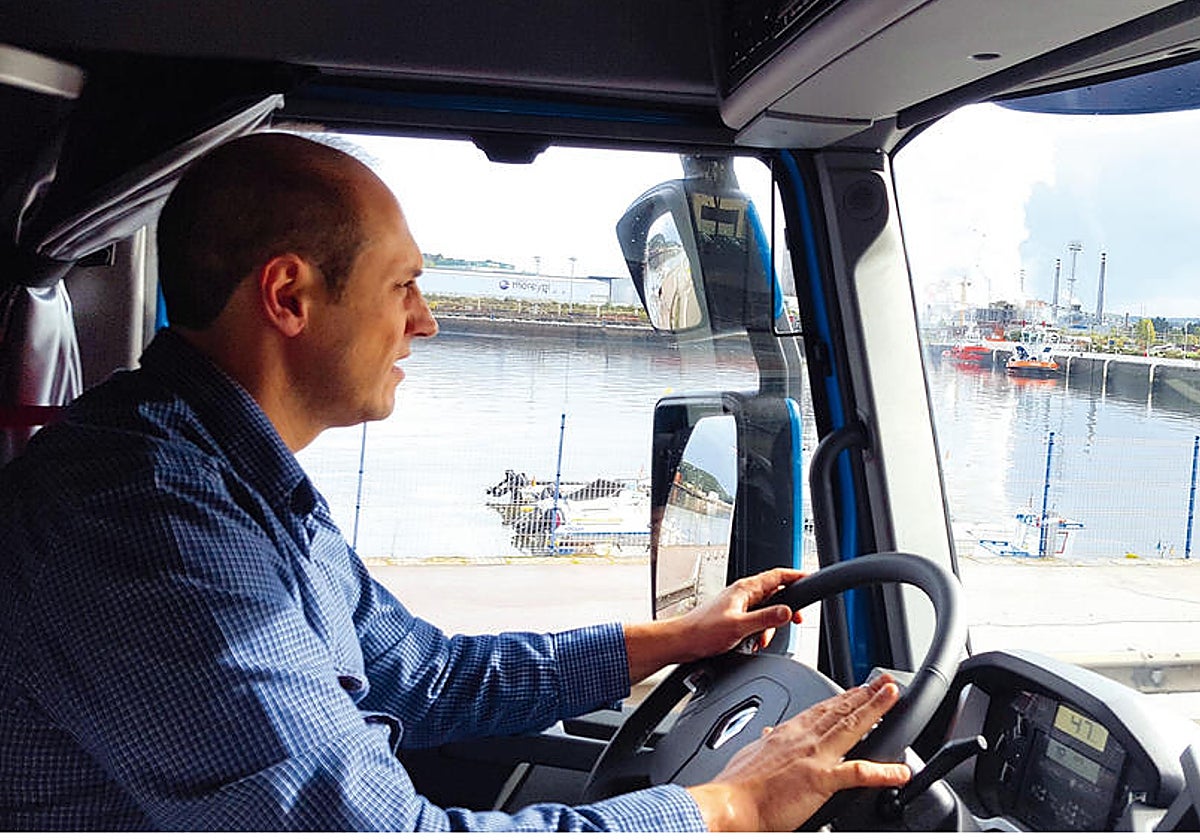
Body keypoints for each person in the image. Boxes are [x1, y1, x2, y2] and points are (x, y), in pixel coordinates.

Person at [0, 132, 910, 831]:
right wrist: (734, 808)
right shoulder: (143, 516)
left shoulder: (229, 481)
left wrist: (672, 639)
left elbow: (422, 676)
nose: (427, 323)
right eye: (403, 286)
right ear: (288, 296)